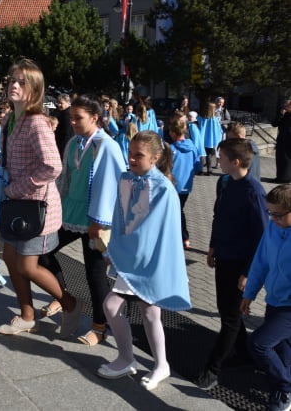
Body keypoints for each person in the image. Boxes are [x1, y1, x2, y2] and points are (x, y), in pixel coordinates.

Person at [0, 59, 82, 338]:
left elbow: (53, 165)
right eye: (12, 80)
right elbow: (10, 157)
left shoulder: (37, 122)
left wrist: (17, 187)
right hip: (16, 206)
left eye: (21, 82)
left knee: (27, 265)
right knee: (10, 259)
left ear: (35, 89)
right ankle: (27, 315)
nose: (13, 85)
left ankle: (71, 303)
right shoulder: (9, 119)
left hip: (36, 208)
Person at [96, 131, 191, 391]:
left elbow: (153, 232)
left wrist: (125, 255)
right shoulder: (126, 179)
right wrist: (113, 250)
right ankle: (138, 359)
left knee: (135, 310)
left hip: (147, 262)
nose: (132, 159)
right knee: (134, 310)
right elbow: (119, 218)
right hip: (128, 258)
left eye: (139, 155)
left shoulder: (163, 188)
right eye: (130, 153)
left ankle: (147, 361)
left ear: (156, 158)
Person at [53, 94, 127, 346]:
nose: (72, 122)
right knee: (43, 250)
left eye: (78, 118)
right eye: (71, 117)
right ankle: (62, 297)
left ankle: (99, 326)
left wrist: (102, 220)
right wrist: (56, 206)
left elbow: (113, 184)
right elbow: (65, 179)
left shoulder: (107, 145)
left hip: (96, 218)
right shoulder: (74, 142)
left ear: (95, 118)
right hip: (70, 212)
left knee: (95, 273)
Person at [196, 138, 268, 390]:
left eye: (222, 158)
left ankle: (212, 369)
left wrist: (249, 272)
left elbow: (261, 237)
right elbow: (219, 216)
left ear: (235, 162)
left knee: (230, 317)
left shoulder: (254, 191)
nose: (218, 161)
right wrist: (213, 245)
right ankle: (244, 354)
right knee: (226, 310)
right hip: (224, 257)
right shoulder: (227, 183)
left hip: (241, 264)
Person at [240, 184, 291, 411]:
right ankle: (282, 395)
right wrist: (249, 294)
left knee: (258, 344)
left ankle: (285, 386)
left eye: (279, 215)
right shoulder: (272, 227)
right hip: (274, 300)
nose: (273, 218)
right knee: (283, 349)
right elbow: (261, 262)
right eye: (270, 213)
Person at [169, 120, 202, 249]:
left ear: (172, 133)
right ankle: (183, 237)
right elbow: (198, 167)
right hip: (187, 186)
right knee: (179, 210)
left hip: (173, 186)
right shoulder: (193, 147)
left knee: (176, 211)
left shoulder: (170, 149)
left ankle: (183, 237)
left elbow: (166, 168)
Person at [199, 102, 223, 175]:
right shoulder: (215, 119)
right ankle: (209, 170)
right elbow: (219, 130)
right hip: (210, 140)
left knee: (201, 154)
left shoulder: (201, 118)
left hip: (202, 139)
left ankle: (200, 169)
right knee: (209, 154)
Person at [272, 100, 291, 183]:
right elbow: (274, 124)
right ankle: (279, 177)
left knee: (287, 160)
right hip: (281, 140)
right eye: (284, 105)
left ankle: (286, 179)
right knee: (279, 159)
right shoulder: (283, 114)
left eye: (286, 106)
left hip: (289, 141)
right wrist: (280, 115)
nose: (284, 107)